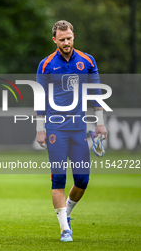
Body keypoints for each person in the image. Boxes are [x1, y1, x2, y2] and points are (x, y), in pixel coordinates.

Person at [35, 20, 107, 242]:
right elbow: (40, 98)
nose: (66, 42)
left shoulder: (87, 61)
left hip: (78, 128)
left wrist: (100, 123)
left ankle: (66, 212)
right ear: (54, 39)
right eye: (62, 39)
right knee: (58, 179)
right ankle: (65, 229)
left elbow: (96, 92)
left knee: (82, 180)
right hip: (55, 127)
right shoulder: (46, 64)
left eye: (69, 38)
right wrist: (40, 128)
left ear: (73, 36)